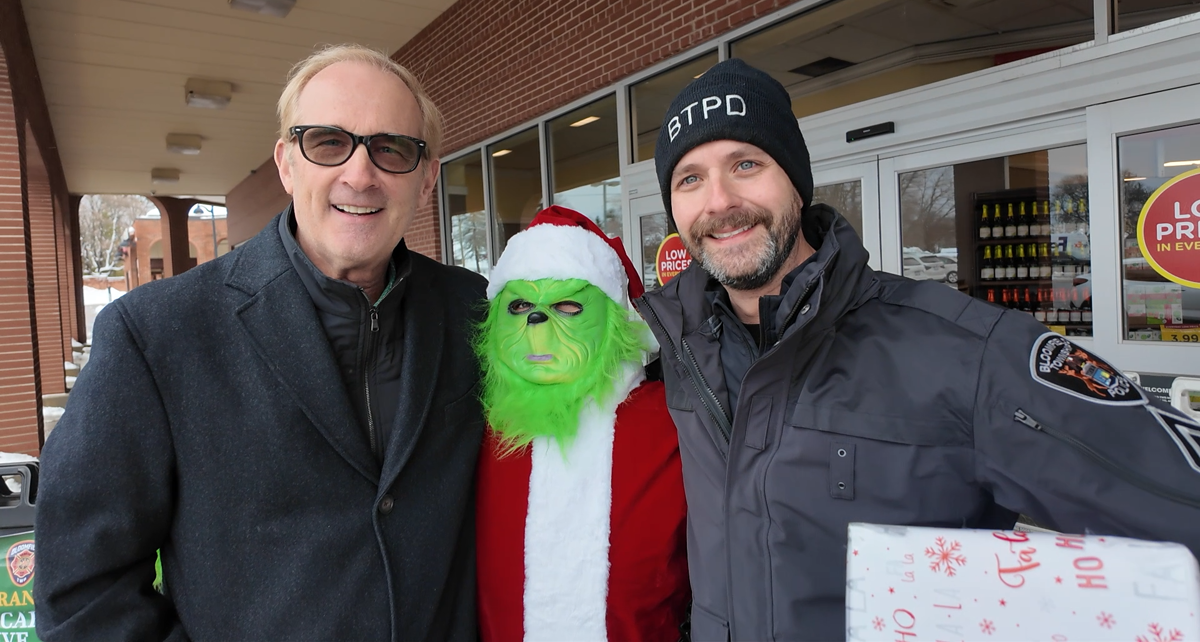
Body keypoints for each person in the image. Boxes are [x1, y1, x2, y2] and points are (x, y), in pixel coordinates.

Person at [639, 58, 1200, 641]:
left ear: (795, 183)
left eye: (746, 164)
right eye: (690, 179)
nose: (719, 200)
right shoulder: (681, 351)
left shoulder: (966, 351)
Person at [35, 45, 486, 641]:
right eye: (328, 142)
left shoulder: (476, 309)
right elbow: (81, 595)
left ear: (426, 178)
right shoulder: (156, 335)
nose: (360, 173)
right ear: (286, 163)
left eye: (391, 148)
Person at [474, 206, 689, 641]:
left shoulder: (673, 424)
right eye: (518, 305)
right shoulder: (476, 429)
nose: (537, 322)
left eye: (568, 306)